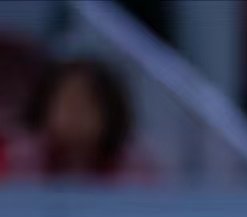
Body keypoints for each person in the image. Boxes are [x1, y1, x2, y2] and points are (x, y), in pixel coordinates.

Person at [1, 58, 154, 183]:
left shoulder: (134, 167)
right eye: (66, 103)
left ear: (111, 112)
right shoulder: (19, 160)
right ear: (45, 107)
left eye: (85, 105)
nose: (75, 114)